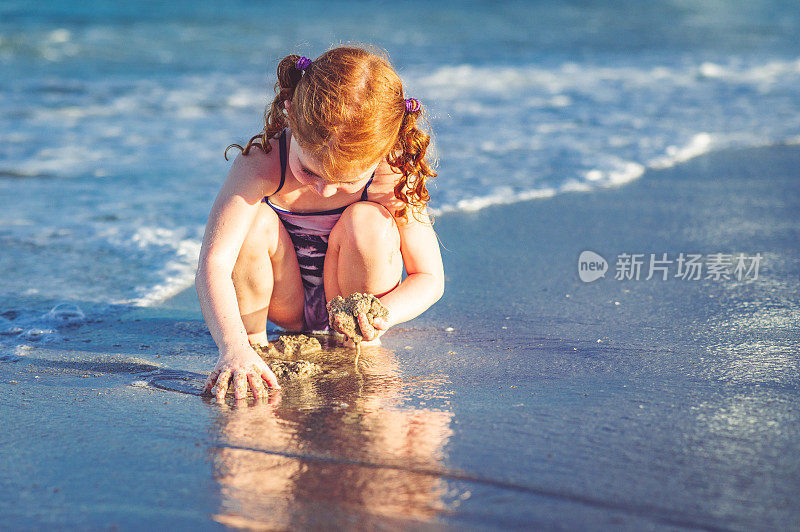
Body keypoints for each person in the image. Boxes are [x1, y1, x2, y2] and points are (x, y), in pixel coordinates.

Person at [196, 46, 445, 401]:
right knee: (250, 222)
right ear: (290, 115)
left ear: (382, 150)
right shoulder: (262, 166)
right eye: (310, 170)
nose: (325, 189)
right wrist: (231, 346)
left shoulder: (389, 174)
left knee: (367, 221)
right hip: (285, 302)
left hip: (352, 304)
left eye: (345, 180)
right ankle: (252, 348)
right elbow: (214, 264)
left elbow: (429, 278)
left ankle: (359, 343)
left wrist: (383, 315)